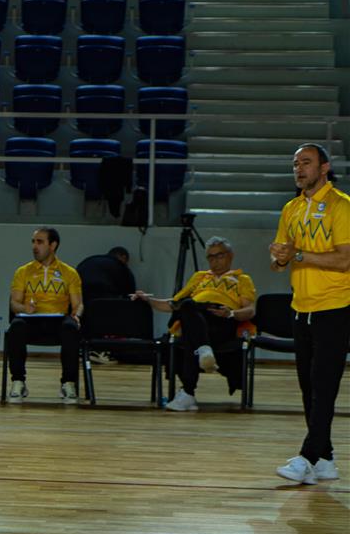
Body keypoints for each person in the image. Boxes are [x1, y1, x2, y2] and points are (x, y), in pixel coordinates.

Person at [269, 143, 350, 486]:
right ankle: (326, 459)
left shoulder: (341, 206)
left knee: (324, 387)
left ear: (324, 168)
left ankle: (307, 457)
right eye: (295, 164)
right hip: (300, 307)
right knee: (308, 387)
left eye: (306, 162)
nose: (299, 169)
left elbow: (345, 260)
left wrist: (298, 255)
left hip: (334, 308)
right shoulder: (291, 208)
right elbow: (279, 262)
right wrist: (279, 258)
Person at [132, 236, 256, 411]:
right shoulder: (199, 277)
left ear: (230, 255)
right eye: (211, 257)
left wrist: (231, 313)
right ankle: (202, 354)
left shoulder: (242, 279)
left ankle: (189, 391)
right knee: (187, 306)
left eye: (219, 255)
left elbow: (250, 310)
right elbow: (173, 304)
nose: (215, 261)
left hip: (222, 319)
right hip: (195, 316)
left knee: (190, 329)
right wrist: (148, 300)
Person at [6, 227, 83, 404]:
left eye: (39, 242)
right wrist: (24, 307)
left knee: (71, 327)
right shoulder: (22, 272)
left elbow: (78, 304)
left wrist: (77, 315)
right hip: (31, 320)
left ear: (53, 245)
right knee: (16, 327)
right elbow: (14, 304)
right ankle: (18, 381)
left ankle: (68, 383)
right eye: (33, 242)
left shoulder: (69, 273)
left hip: (57, 321)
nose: (34, 246)